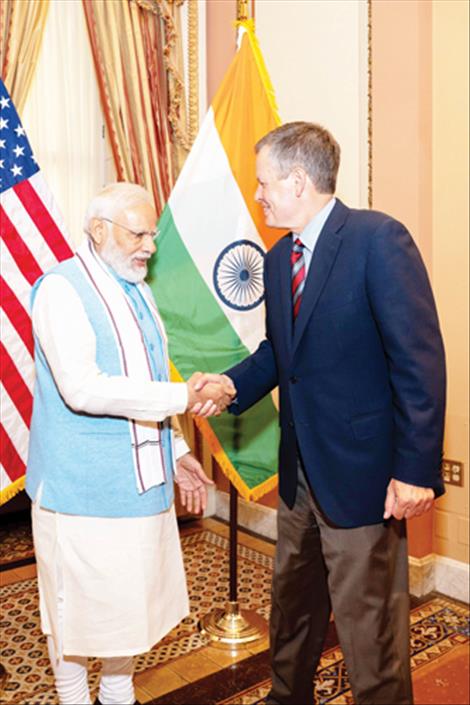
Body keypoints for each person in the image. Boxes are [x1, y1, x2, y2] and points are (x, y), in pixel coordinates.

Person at [198, 122, 446, 704]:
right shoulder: (280, 255)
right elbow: (279, 355)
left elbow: (420, 363)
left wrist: (415, 471)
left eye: (263, 184)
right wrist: (230, 386)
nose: (257, 195)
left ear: (298, 180)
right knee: (293, 614)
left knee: (370, 634)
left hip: (363, 480)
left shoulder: (378, 239)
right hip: (300, 479)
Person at [25, 182, 235, 705]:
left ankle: (119, 697)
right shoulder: (61, 289)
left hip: (140, 489)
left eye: (153, 235)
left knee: (126, 619)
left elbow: (148, 374)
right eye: (138, 233)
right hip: (81, 495)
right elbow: (83, 386)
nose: (150, 246)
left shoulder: (136, 287)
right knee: (75, 623)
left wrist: (180, 453)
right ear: (99, 230)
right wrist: (181, 397)